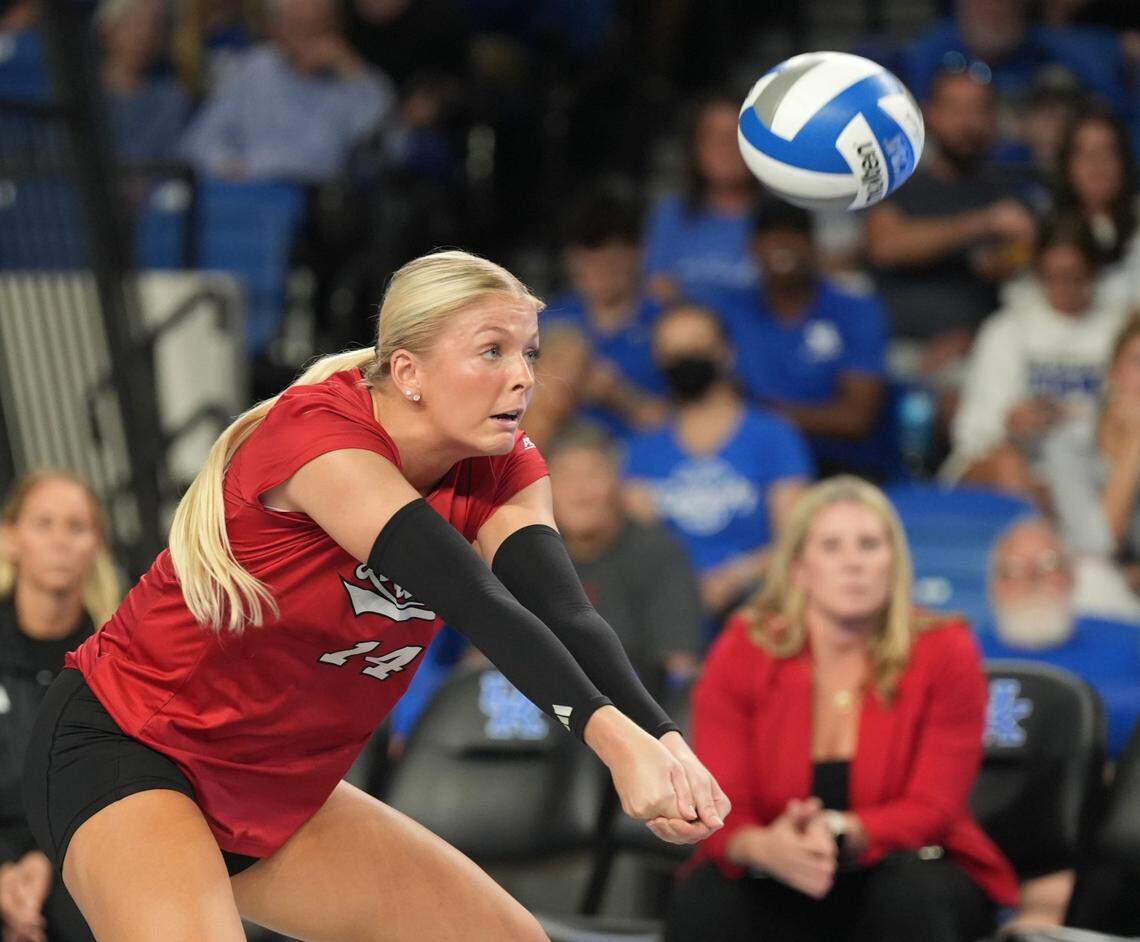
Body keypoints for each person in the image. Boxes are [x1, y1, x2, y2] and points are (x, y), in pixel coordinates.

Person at [22, 250, 729, 941]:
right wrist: (615, 745)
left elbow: (566, 614)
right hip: (134, 746)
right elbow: (479, 604)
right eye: (492, 352)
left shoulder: (502, 463)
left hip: (278, 783)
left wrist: (667, 743)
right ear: (407, 371)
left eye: (530, 354)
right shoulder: (322, 441)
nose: (521, 379)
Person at [665, 476, 1018, 942]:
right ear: (798, 568)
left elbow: (935, 808)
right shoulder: (743, 648)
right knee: (707, 897)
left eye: (870, 545)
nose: (853, 562)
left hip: (908, 863)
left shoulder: (945, 649)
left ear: (893, 563)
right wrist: (763, 846)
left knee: (910, 897)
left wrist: (836, 829)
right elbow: (720, 800)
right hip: (777, 863)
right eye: (832, 546)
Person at [624, 303, 813, 623]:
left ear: (726, 352)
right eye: (673, 351)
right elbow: (642, 545)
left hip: (760, 600)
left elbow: (794, 540)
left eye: (697, 346)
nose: (685, 359)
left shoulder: (773, 435)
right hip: (670, 605)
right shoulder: (644, 448)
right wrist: (682, 587)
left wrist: (734, 577)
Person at [0, 471, 121, 942]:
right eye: (43, 524)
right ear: (11, 539)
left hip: (82, 848)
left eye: (77, 527)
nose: (60, 542)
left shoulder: (117, 653)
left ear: (97, 545)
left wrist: (45, 859)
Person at [866, 68, 1036, 387]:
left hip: (977, 350)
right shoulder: (898, 183)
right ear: (930, 114)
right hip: (893, 347)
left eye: (978, 110)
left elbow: (1014, 269)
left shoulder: (1011, 193)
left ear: (993, 119)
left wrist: (973, 337)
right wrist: (982, 222)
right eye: (954, 109)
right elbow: (886, 247)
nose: (967, 122)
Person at [946, 216, 1130, 495]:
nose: (1062, 287)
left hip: (1093, 466)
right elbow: (973, 436)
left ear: (1094, 272)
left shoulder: (1120, 331)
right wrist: (1009, 424)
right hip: (1012, 465)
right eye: (1051, 276)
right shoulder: (1006, 329)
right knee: (1010, 466)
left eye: (1073, 276)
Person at [724, 200, 889, 479]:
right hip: (747, 467)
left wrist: (763, 415)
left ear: (813, 245)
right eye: (769, 235)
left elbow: (857, 418)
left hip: (837, 467)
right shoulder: (730, 310)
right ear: (751, 247)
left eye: (793, 234)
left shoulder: (854, 309)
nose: (781, 243)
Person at [548, 425, 701, 690]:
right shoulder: (527, 557)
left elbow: (680, 667)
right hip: (540, 714)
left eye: (592, 475)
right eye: (565, 477)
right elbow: (483, 667)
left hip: (638, 714)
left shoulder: (659, 554)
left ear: (618, 484)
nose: (580, 491)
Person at [179, 0, 395, 184]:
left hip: (318, 207)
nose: (313, 42)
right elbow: (198, 142)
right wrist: (227, 164)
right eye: (301, 28)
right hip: (252, 194)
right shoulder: (254, 68)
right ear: (277, 30)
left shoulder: (349, 80)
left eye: (321, 29)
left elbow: (389, 140)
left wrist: (350, 69)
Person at [980, 518, 1140, 762]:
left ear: (1071, 577)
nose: (1032, 579)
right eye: (1013, 569)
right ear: (993, 587)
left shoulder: (1128, 644)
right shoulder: (964, 654)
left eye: (1048, 565)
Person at [542, 188, 667, 438]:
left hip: (637, 463)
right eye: (588, 257)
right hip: (560, 462)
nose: (600, 269)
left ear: (637, 255)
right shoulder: (547, 320)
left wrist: (620, 396)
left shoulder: (664, 324)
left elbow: (687, 426)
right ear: (571, 259)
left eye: (612, 258)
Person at [1041, 313, 1140, 609]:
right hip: (1091, 597)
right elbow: (1097, 546)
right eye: (1137, 362)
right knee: (1092, 579)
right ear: (1113, 371)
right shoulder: (1067, 445)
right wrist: (1134, 443)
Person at [643, 94, 760, 311]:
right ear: (695, 148)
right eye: (712, 136)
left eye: (736, 134)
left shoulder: (783, 214)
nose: (726, 147)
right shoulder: (671, 215)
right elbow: (658, 290)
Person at [97, 0, 192, 163]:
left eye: (155, 26)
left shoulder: (171, 101)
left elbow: (175, 163)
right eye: (136, 23)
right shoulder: (79, 96)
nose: (146, 34)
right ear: (108, 29)